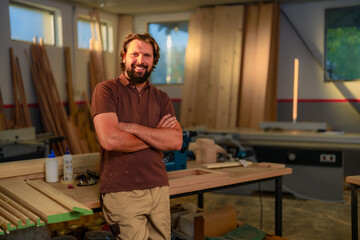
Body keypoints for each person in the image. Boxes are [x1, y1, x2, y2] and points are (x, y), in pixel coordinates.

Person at [91, 33, 183, 240]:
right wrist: (157, 137)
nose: (140, 60)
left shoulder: (161, 98)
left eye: (147, 56)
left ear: (154, 61)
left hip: (158, 187)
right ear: (124, 56)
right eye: (135, 54)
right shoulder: (106, 90)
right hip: (122, 190)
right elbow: (110, 140)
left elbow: (176, 142)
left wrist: (132, 127)